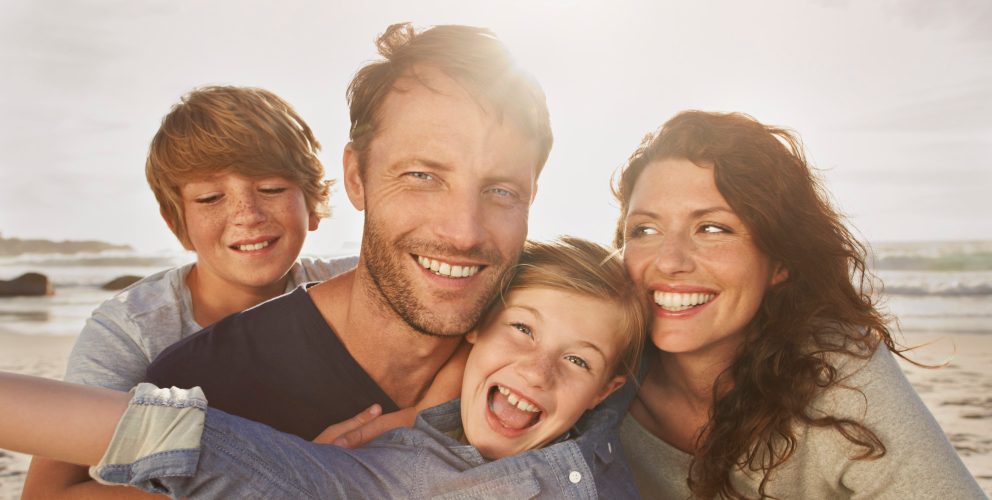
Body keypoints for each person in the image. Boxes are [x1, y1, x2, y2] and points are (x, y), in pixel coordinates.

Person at [138, 22, 553, 444]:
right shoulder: (197, 388)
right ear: (356, 177)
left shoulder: (552, 377)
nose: (464, 234)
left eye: (502, 191)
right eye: (421, 176)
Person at [1, 237, 646, 498]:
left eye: (575, 360)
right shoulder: (382, 473)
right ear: (475, 329)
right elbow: (193, 440)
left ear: (605, 388)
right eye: (522, 331)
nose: (538, 371)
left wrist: (425, 407)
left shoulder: (610, 410)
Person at [610, 110, 985, 498]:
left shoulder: (833, 369)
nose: (669, 261)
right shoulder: (592, 372)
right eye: (645, 230)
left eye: (712, 228)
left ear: (780, 260)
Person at [23, 86, 356, 498]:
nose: (247, 215)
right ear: (177, 223)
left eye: (271, 189)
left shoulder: (357, 287)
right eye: (211, 198)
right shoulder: (132, 331)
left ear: (312, 202)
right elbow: (46, 493)